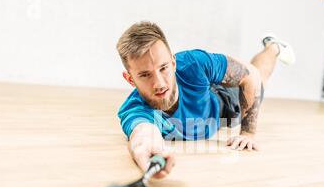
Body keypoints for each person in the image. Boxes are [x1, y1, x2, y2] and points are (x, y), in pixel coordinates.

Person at [116, 21, 295, 178]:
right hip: (208, 109)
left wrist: (247, 133)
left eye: (163, 68)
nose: (159, 83)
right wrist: (147, 151)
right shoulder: (135, 110)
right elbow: (143, 135)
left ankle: (273, 47)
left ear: (173, 62)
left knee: (259, 77)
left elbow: (251, 76)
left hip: (221, 99)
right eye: (145, 75)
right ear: (130, 79)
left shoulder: (194, 63)